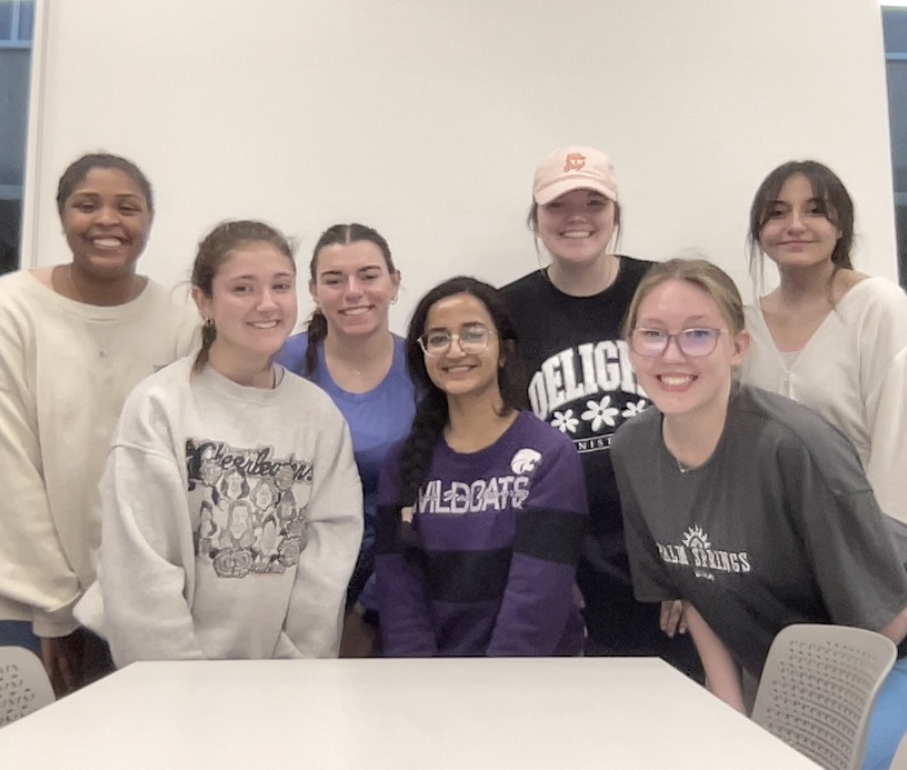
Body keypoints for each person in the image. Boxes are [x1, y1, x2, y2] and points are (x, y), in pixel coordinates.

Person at [612, 258, 907, 770]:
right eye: (653, 334)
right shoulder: (633, 449)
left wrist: (798, 727)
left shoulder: (792, 443)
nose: (672, 354)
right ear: (630, 347)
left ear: (738, 348)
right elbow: (697, 591)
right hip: (855, 654)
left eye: (698, 334)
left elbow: (891, 616)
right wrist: (730, 715)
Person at [0, 152, 196, 695]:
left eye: (127, 207)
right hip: (7, 590)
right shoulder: (8, 308)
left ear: (149, 220)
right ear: (62, 216)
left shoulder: (180, 319)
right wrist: (56, 608)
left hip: (122, 597)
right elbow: (0, 468)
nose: (108, 220)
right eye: (87, 205)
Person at [74, 220, 363, 665]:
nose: (267, 304)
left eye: (281, 286)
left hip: (279, 678)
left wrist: (295, 669)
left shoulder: (318, 415)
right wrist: (185, 682)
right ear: (203, 300)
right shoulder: (158, 407)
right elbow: (140, 569)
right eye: (243, 288)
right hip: (163, 673)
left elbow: (328, 557)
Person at [499, 146, 699, 671]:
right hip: (570, 551)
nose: (577, 218)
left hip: (667, 545)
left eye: (594, 203)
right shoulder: (508, 311)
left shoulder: (662, 292)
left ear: (616, 212)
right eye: (558, 205)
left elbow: (706, 425)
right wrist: (546, 565)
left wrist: (695, 561)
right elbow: (506, 448)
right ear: (535, 216)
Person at [740, 160, 907, 537]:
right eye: (777, 213)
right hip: (777, 544)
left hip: (866, 540)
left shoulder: (877, 307)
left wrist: (892, 557)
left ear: (841, 226)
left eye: (815, 210)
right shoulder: (744, 325)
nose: (795, 225)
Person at [375, 276, 587, 656]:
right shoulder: (400, 463)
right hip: (429, 682)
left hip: (529, 680)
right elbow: (400, 602)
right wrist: (421, 682)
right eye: (438, 338)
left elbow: (535, 608)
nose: (455, 349)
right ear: (423, 355)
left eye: (473, 334)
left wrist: (492, 688)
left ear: (504, 350)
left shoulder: (550, 455)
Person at [277, 223, 415, 656]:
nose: (353, 292)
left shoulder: (424, 368)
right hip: (289, 584)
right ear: (314, 290)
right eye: (335, 280)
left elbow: (431, 493)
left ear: (394, 283)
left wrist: (370, 605)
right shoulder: (278, 365)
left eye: (369, 276)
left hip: (392, 580)